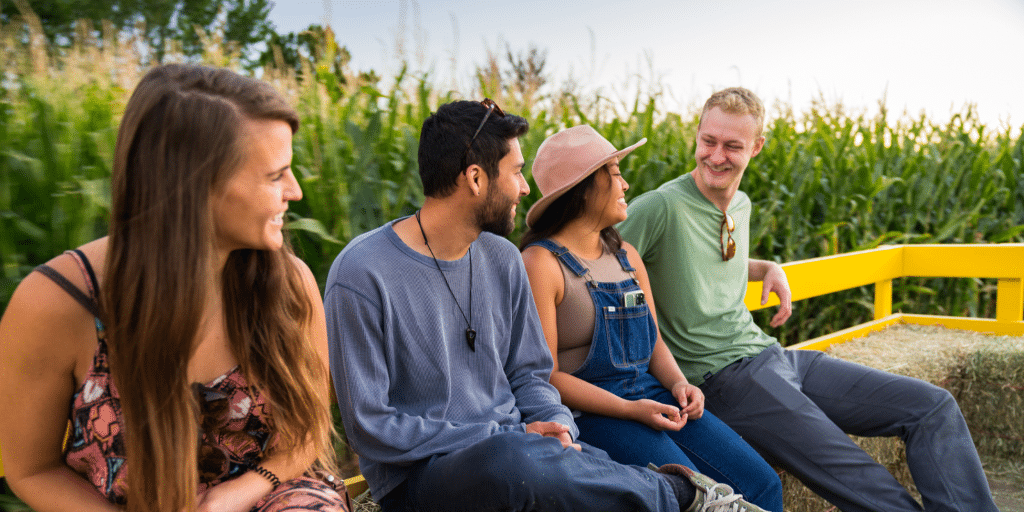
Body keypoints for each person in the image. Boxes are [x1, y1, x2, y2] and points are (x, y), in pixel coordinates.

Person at [325, 99, 770, 512]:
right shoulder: (363, 273)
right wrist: (510, 436)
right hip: (426, 475)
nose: (523, 188)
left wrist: (559, 426)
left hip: (525, 455)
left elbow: (531, 375)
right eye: (515, 172)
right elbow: (371, 426)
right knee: (513, 460)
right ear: (476, 178)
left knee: (555, 463)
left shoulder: (501, 260)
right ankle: (683, 496)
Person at [617, 86, 999, 512]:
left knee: (932, 406)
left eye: (733, 146)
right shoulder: (661, 207)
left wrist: (766, 268)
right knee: (858, 472)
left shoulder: (738, 204)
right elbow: (592, 259)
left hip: (775, 356)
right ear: (697, 136)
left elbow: (696, 259)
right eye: (709, 141)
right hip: (725, 380)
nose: (716, 156)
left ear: (757, 147)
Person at [0, 64, 349, 512]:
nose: (296, 191)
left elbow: (309, 433)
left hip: (273, 492)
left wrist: (229, 497)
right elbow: (31, 469)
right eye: (274, 175)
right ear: (197, 187)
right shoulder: (58, 303)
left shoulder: (290, 285)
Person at [519, 125, 783, 511]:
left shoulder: (626, 254)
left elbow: (653, 339)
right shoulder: (541, 263)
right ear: (584, 188)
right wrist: (629, 409)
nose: (625, 184)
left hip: (653, 396)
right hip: (593, 411)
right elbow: (547, 375)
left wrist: (679, 384)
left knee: (762, 484)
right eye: (614, 173)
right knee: (699, 496)